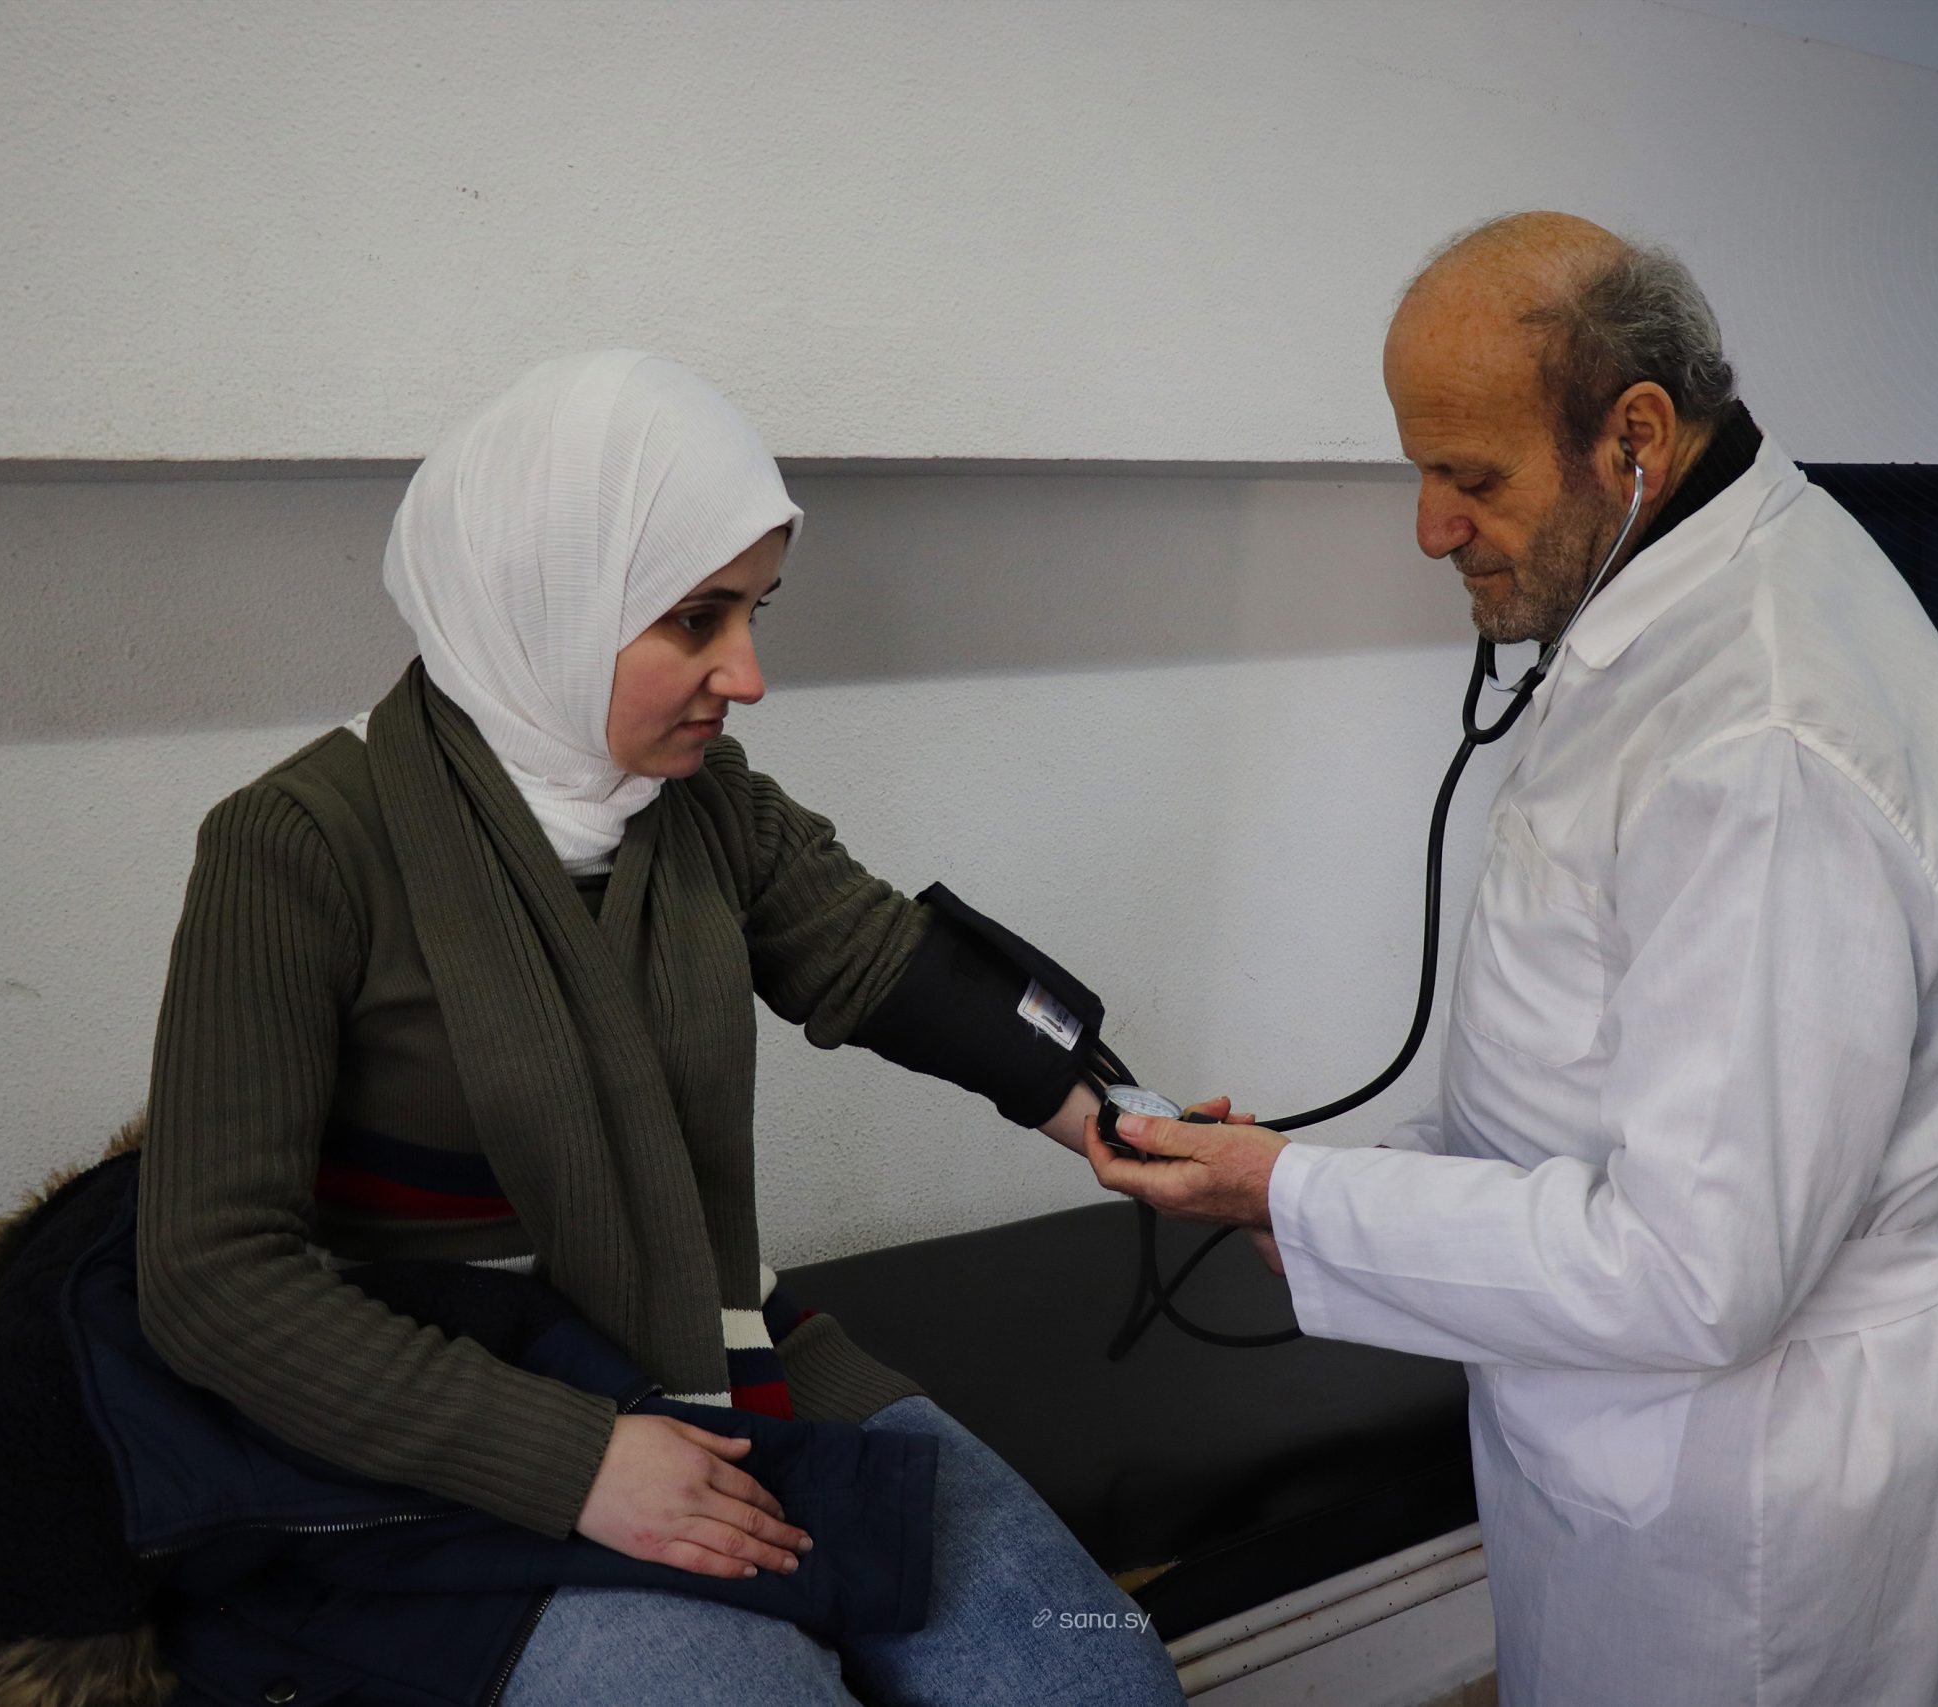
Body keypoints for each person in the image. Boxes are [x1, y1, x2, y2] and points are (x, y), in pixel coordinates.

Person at [1081, 213, 1938, 1706]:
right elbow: (1592, 1060)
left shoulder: (1765, 746)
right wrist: (1313, 1195)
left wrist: (1303, 1196)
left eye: (1472, 478)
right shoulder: (1693, 599)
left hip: (1751, 1496)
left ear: (1635, 438)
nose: (1430, 529)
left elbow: (1698, 1274)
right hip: (1642, 1438)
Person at [137, 349, 1184, 1706]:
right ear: (547, 602)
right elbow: (213, 1278)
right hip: (450, 1427)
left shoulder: (707, 807)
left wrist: (1123, 1121)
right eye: (697, 620)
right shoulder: (297, 846)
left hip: (712, 1345)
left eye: (754, 613)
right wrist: (574, 1462)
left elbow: (884, 964)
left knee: (1095, 1680)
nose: (746, 674)